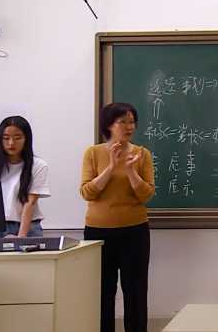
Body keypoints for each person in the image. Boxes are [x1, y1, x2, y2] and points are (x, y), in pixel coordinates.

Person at [81, 102, 155, 332]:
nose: (129, 126)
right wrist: (111, 167)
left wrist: (131, 171)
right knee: (103, 292)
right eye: (122, 122)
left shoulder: (142, 154)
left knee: (136, 291)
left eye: (132, 122)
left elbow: (146, 194)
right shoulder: (93, 153)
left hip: (134, 231)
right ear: (109, 125)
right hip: (98, 233)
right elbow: (87, 192)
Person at [0, 116, 50, 239]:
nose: (11, 143)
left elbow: (30, 202)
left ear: (26, 139)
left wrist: (21, 236)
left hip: (27, 228)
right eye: (6, 138)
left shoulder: (38, 165)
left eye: (17, 138)